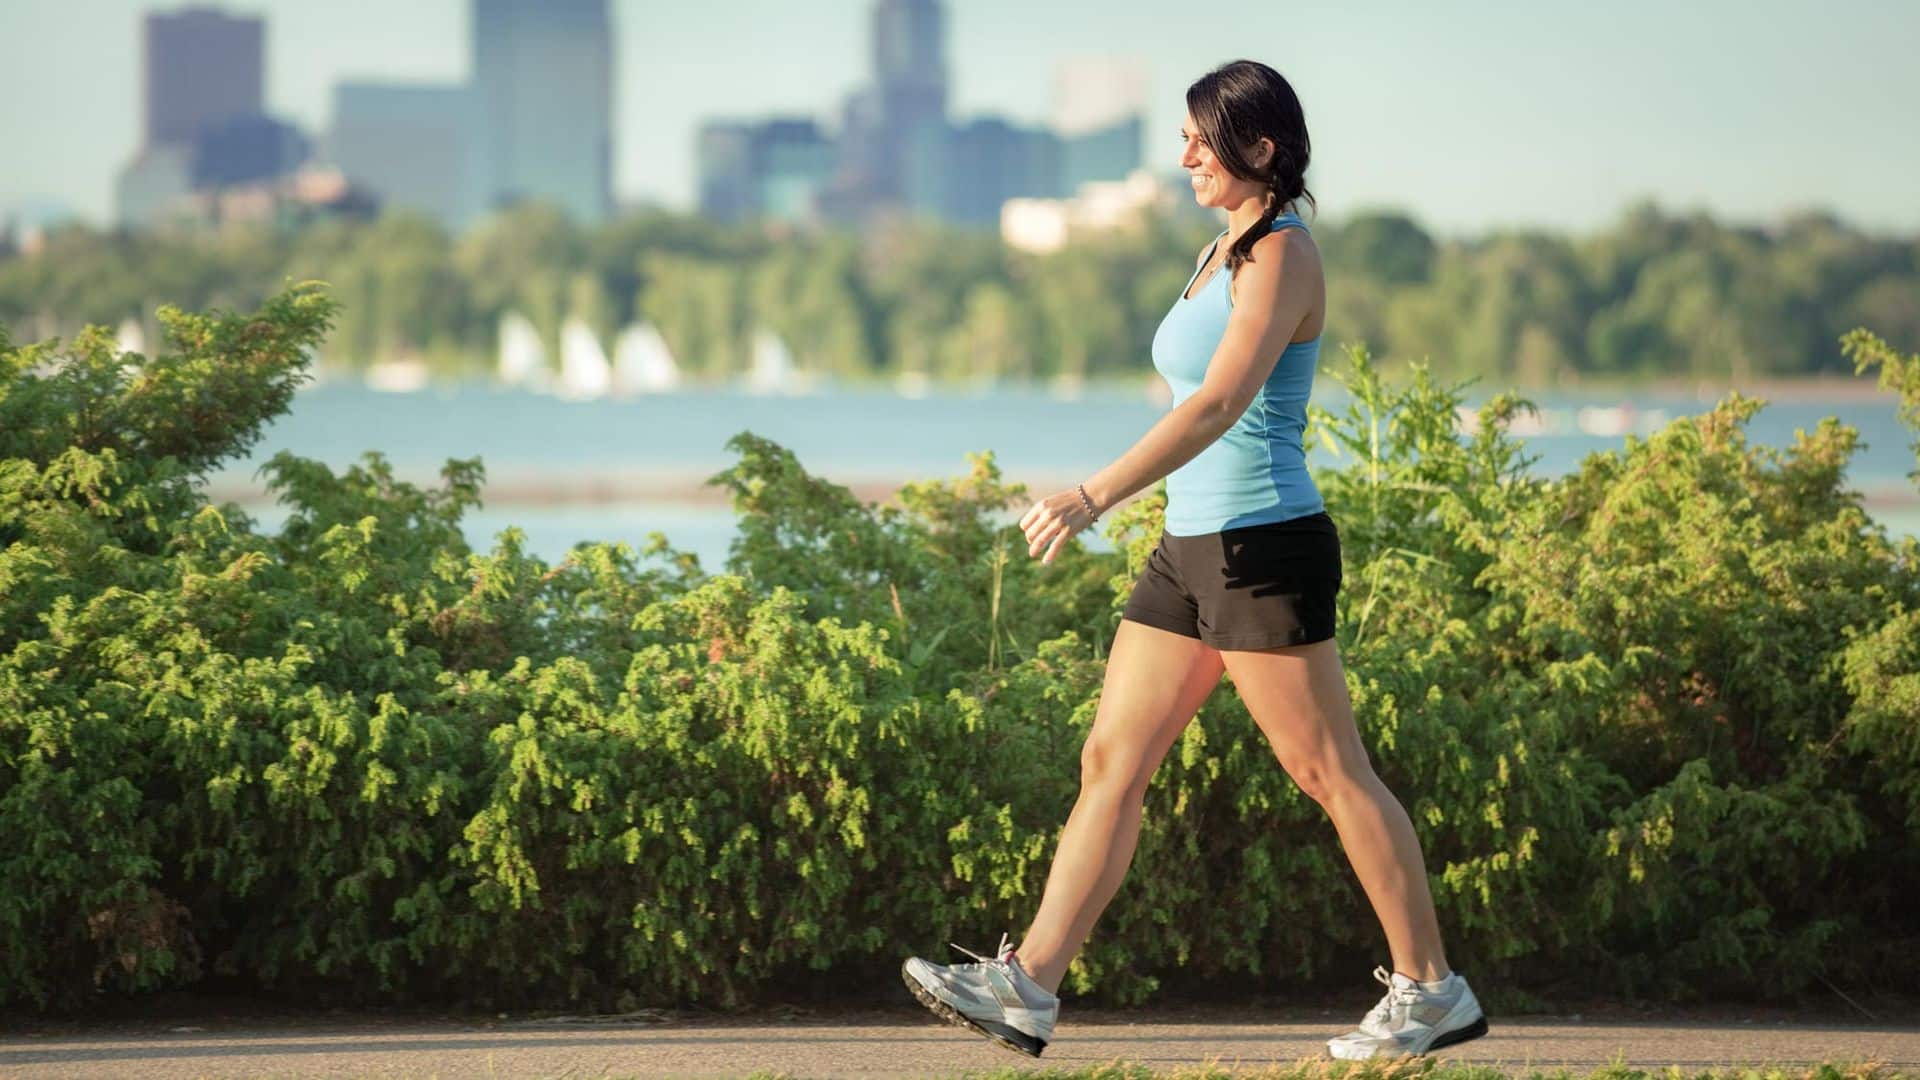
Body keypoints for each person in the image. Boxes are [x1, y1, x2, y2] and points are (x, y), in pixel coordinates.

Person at [900, 59, 1490, 1062]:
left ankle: (1434, 989)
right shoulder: (1219, 252)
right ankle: (1028, 986)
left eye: (1199, 140)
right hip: (1189, 549)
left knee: (1328, 770)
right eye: (1180, 137)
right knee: (1110, 761)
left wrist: (1092, 496)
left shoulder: (1282, 255)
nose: (1182, 156)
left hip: (1263, 545)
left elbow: (1217, 406)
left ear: (1258, 148)